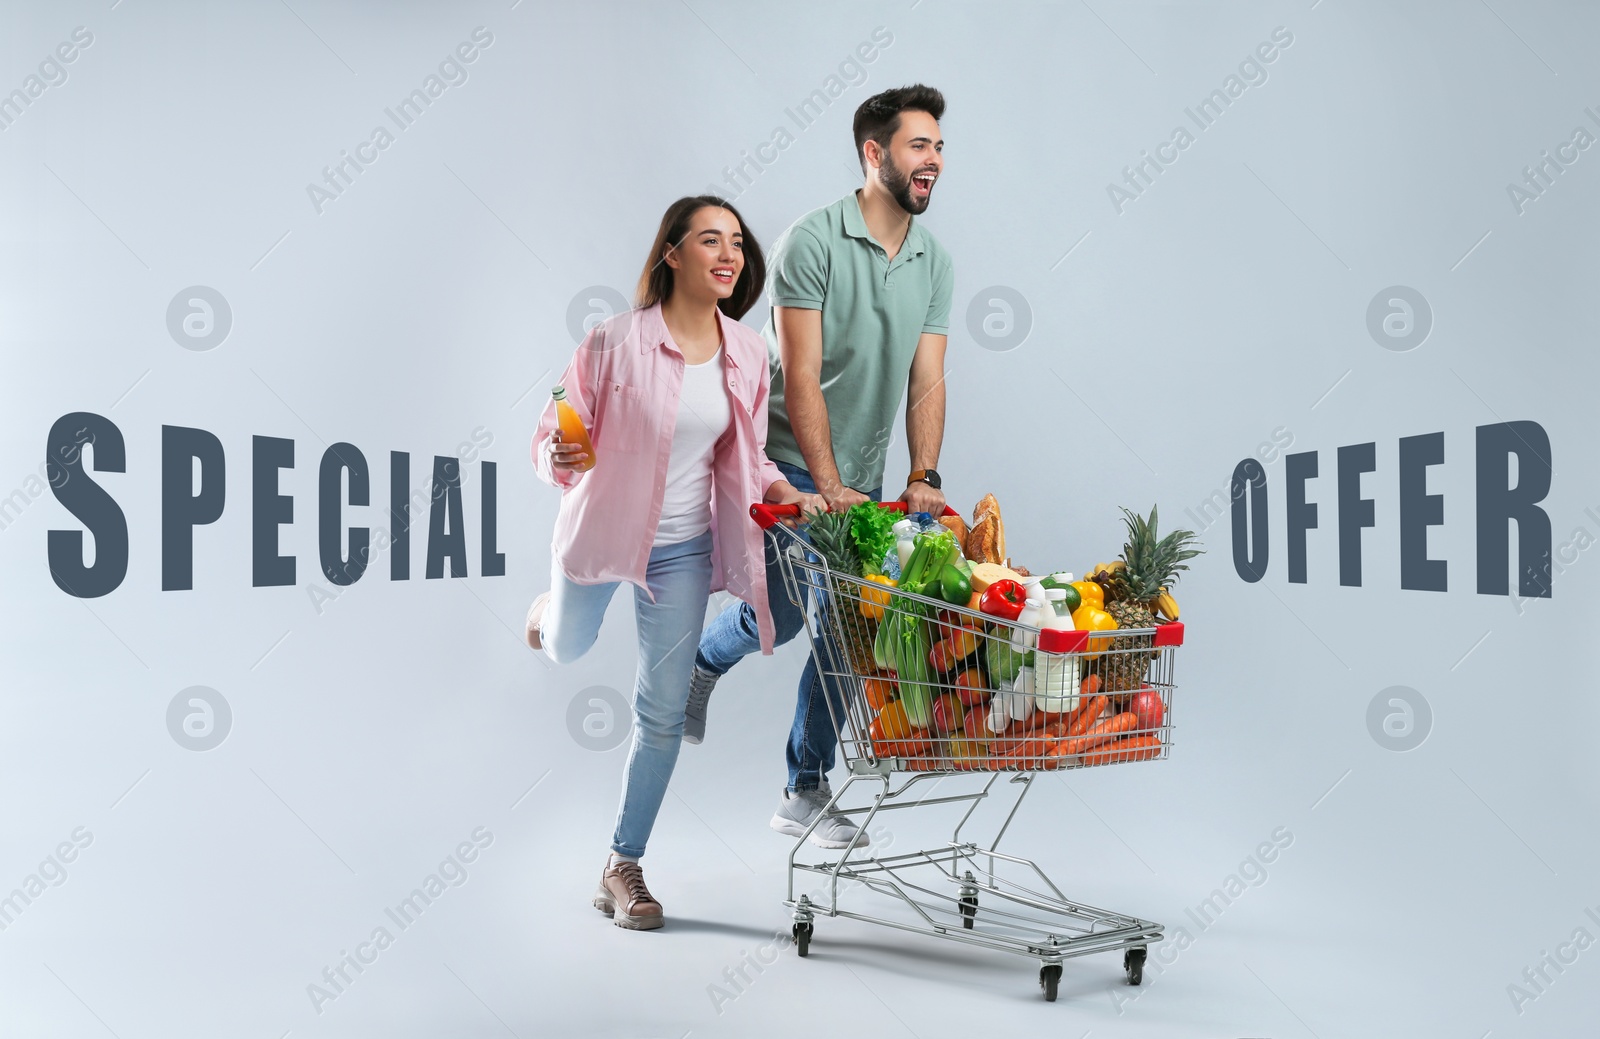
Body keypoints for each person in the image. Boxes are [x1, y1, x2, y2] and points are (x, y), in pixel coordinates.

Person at [524, 196, 822, 931]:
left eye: (737, 244)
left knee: (660, 713)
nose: (729, 255)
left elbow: (748, 458)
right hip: (601, 534)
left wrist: (789, 492)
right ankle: (544, 614)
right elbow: (551, 435)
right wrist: (554, 455)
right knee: (565, 645)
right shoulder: (611, 342)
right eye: (710, 240)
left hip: (684, 550)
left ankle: (623, 864)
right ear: (672, 254)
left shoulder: (748, 353)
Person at [686, 85, 955, 848]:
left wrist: (923, 474)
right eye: (918, 146)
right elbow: (798, 372)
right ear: (875, 155)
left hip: (859, 475)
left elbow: (927, 376)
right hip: (783, 463)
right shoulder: (813, 240)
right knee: (793, 611)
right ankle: (707, 662)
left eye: (938, 146)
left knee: (841, 620)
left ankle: (802, 785)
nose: (933, 159)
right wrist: (824, 484)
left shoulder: (935, 262)